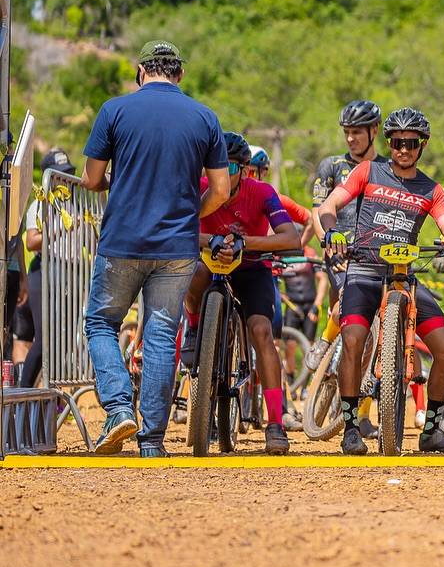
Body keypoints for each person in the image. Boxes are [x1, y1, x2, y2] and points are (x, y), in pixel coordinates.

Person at [80, 40, 230, 457]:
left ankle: (117, 409)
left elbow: (91, 179)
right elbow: (221, 190)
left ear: (140, 71)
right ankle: (152, 442)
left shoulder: (114, 110)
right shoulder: (205, 117)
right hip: (178, 247)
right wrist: (190, 214)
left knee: (101, 323)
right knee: (163, 334)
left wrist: (122, 179)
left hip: (123, 242)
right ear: (179, 74)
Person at [315, 108, 444, 456]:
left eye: (411, 143)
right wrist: (331, 229)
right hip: (364, 270)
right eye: (397, 142)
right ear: (389, 142)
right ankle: (351, 427)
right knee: (352, 340)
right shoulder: (368, 171)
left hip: (404, 277)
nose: (404, 149)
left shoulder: (432, 188)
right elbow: (331, 203)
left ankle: (431, 430)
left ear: (422, 145)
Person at [181, 132, 302, 455]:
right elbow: (179, 227)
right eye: (214, 166)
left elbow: (291, 238)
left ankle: (275, 422)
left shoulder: (261, 192)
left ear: (244, 170)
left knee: (262, 331)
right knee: (193, 271)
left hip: (250, 268)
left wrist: (246, 242)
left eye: (230, 167)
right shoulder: (201, 188)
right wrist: (212, 241)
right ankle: (195, 327)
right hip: (210, 264)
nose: (221, 173)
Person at [309, 100, 385, 435]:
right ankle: (324, 342)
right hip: (338, 248)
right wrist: (326, 235)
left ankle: (363, 413)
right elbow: (317, 210)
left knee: (375, 336)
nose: (351, 139)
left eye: (357, 133)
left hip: (375, 254)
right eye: (347, 133)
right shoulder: (331, 166)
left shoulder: (386, 167)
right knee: (344, 306)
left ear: (374, 132)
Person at [17, 150, 77, 388]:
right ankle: (22, 394)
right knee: (43, 340)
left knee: (63, 341)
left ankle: (50, 395)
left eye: (69, 175)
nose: (66, 181)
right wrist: (61, 229)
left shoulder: (74, 205)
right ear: (50, 179)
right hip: (44, 272)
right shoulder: (40, 205)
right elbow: (31, 242)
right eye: (61, 176)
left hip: (69, 273)